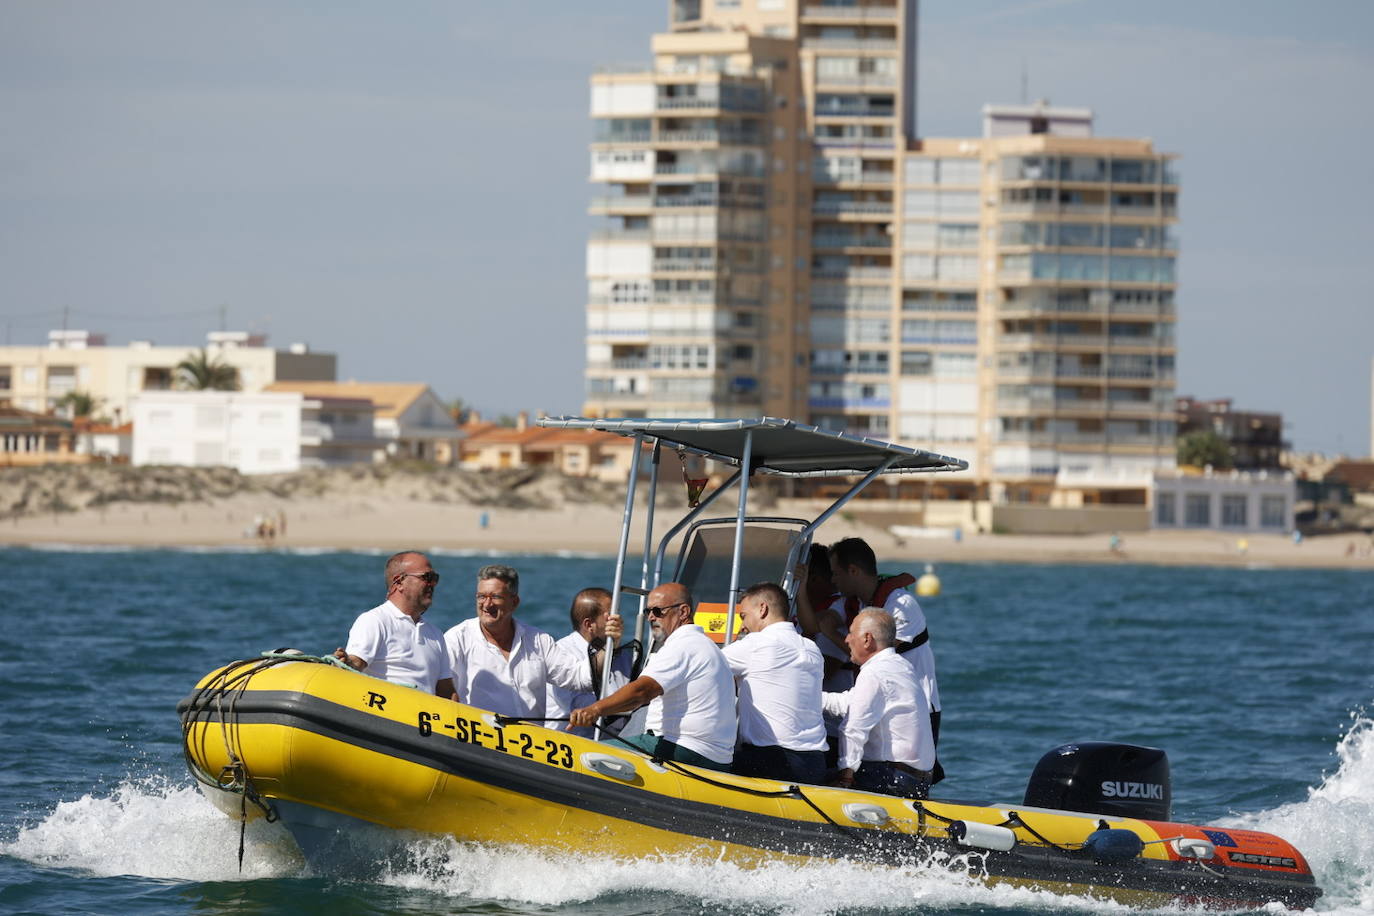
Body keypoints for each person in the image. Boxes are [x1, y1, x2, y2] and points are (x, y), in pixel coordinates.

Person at [569, 582, 735, 772]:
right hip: (714, 756)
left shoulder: (683, 645)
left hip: (686, 750)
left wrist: (594, 710)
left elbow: (642, 691)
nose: (651, 617)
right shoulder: (706, 645)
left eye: (657, 611)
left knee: (583, 754)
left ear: (683, 612)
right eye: (648, 611)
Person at [823, 536, 944, 783]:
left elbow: (873, 652)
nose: (832, 581)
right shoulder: (859, 605)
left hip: (917, 705)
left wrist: (830, 634)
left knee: (912, 768)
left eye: (836, 573)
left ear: (853, 571)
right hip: (883, 698)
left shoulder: (901, 605)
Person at [444, 564, 617, 719]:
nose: (487, 604)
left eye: (495, 597)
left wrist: (610, 643)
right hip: (478, 743)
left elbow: (580, 679)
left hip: (530, 745)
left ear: (515, 602)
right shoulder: (457, 639)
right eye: (481, 596)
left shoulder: (538, 641)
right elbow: (440, 687)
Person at [721, 582, 827, 784]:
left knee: (707, 762)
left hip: (770, 761)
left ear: (762, 608)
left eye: (743, 616)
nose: (742, 625)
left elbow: (703, 665)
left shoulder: (756, 644)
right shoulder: (812, 649)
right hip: (814, 763)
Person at [823, 608, 934, 799]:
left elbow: (853, 729)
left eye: (851, 633)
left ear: (867, 639)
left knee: (812, 777)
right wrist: (805, 697)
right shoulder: (901, 666)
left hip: (890, 778)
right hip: (916, 780)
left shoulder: (874, 673)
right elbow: (848, 703)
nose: (847, 639)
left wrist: (845, 780)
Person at [334, 550, 457, 698]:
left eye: (435, 578)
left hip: (423, 719)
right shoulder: (375, 621)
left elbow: (447, 692)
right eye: (427, 577)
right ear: (399, 582)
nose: (432, 584)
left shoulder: (435, 634)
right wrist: (345, 661)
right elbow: (356, 663)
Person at [545, 587, 636, 739]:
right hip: (567, 739)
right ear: (589, 625)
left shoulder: (625, 656)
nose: (618, 620)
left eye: (617, 613)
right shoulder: (562, 653)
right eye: (610, 616)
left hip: (612, 741)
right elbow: (580, 706)